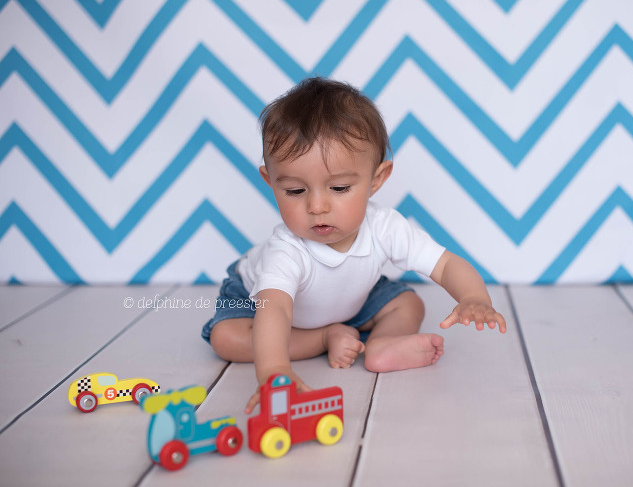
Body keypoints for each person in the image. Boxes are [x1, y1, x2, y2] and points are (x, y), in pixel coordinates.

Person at [200, 77, 506, 413]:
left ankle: (382, 345)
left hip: (350, 296)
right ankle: (321, 337)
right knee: (226, 339)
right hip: (262, 303)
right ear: (270, 181)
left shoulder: (384, 226)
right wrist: (275, 371)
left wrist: (474, 297)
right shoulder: (285, 251)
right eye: (295, 191)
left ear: (376, 179)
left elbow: (445, 265)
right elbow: (275, 310)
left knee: (408, 304)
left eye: (340, 188)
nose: (317, 207)